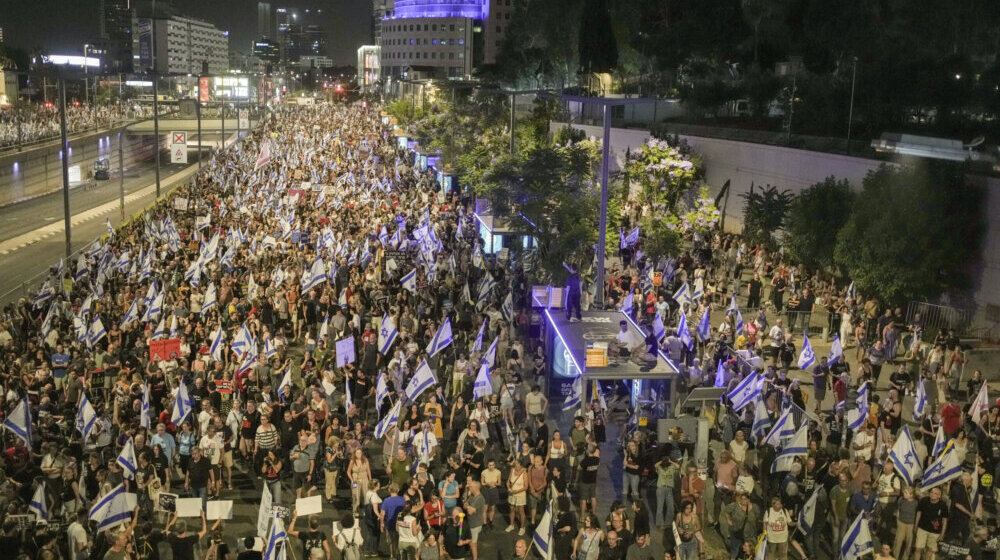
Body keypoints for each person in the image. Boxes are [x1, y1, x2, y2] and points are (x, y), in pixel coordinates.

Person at [914, 486, 948, 560]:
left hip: (935, 532)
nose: (932, 494)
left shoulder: (943, 506)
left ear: (939, 496)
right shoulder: (924, 500)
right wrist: (915, 526)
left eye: (935, 493)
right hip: (922, 528)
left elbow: (944, 521)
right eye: (932, 492)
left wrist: (942, 534)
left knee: (929, 551)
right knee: (918, 549)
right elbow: (918, 514)